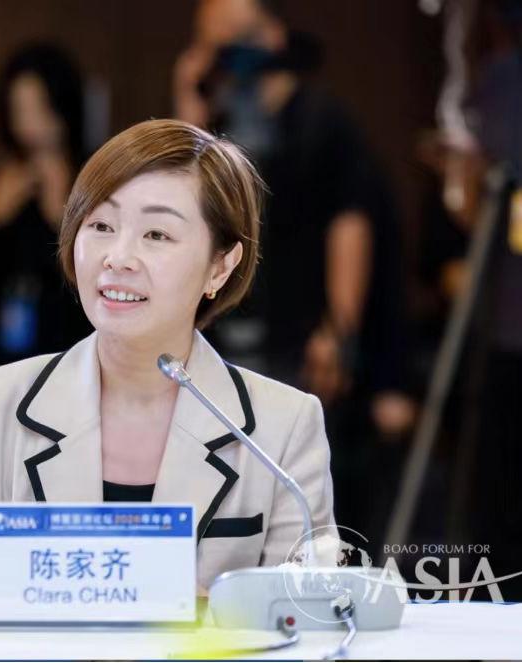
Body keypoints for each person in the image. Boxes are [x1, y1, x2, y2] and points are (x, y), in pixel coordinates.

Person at [0, 119, 337, 597]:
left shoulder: (284, 428)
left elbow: (306, 616)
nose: (118, 257)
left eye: (157, 235)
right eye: (101, 226)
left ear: (221, 266)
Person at [173, 0, 415, 539]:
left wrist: (339, 329)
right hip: (227, 328)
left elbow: (350, 226)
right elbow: (184, 191)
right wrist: (189, 102)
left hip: (302, 334)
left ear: (272, 37)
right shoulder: (218, 118)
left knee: (308, 478)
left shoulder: (322, 121)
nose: (223, 56)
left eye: (231, 40)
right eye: (210, 44)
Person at [0, 43, 93, 370]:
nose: (30, 125)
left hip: (70, 349)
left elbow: (91, 283)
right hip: (6, 350)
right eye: (19, 111)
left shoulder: (91, 175)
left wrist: (59, 219)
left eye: (40, 109)